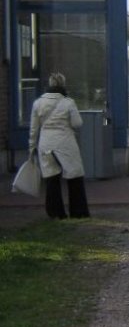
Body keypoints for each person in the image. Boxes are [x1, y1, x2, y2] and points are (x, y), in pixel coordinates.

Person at [28, 72, 90, 219]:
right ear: (63, 84)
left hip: (45, 143)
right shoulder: (68, 102)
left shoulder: (38, 103)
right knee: (74, 175)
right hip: (65, 142)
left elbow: (33, 129)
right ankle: (78, 212)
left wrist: (31, 148)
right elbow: (77, 123)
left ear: (49, 85)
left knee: (51, 178)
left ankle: (55, 213)